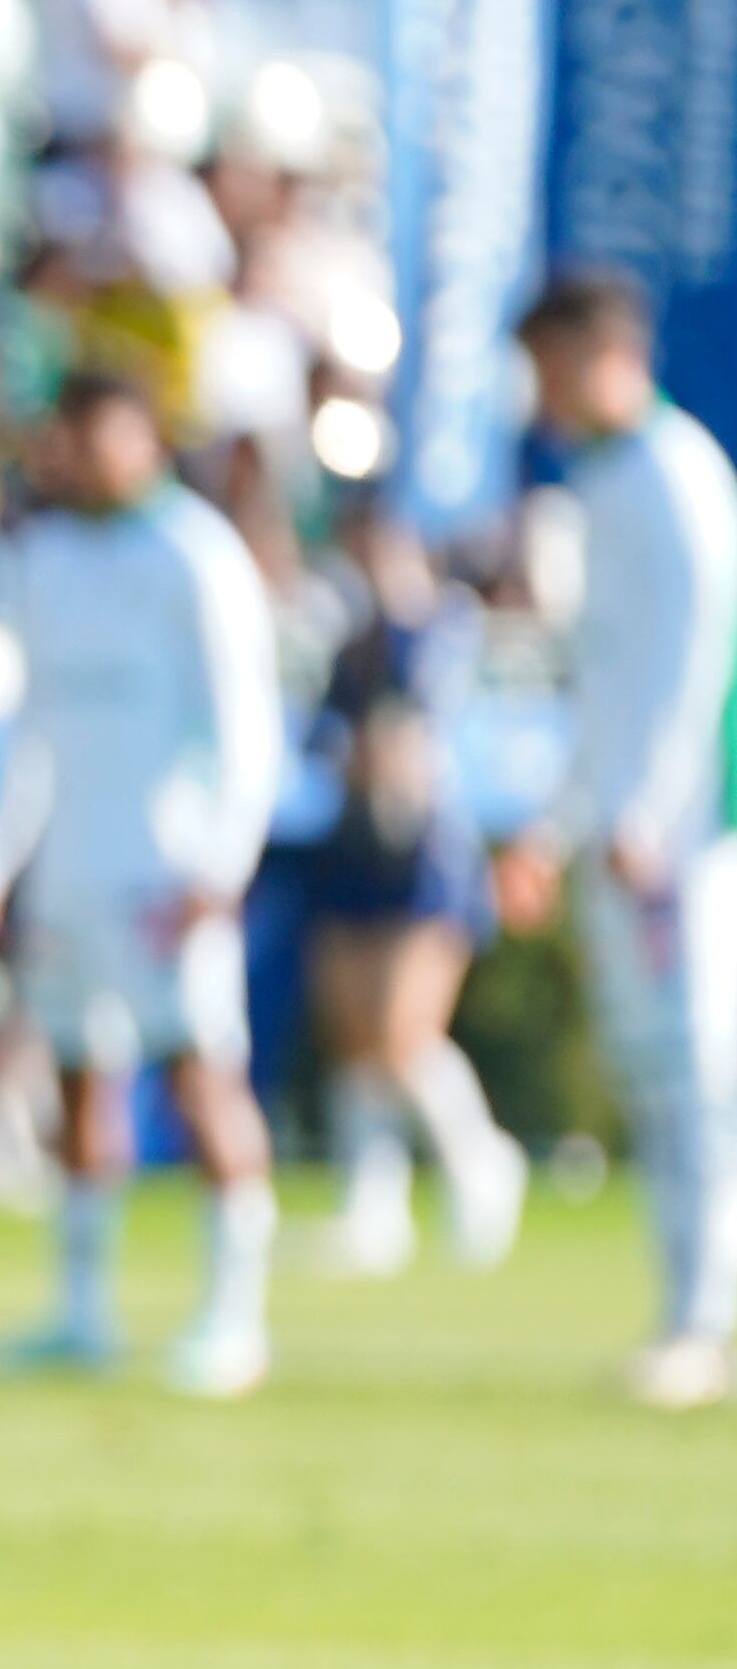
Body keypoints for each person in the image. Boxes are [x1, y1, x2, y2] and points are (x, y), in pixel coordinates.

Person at [0, 369, 284, 1400]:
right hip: (71, 867)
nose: (82, 454)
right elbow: (31, 723)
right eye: (68, 435)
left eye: (102, 434)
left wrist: (222, 859)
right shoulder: (40, 553)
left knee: (198, 1076)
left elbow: (244, 722)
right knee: (78, 1076)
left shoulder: (194, 550)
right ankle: (81, 1312)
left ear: (147, 438)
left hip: (164, 870)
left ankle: (233, 1317)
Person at [498, 274, 737, 1409]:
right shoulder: (598, 484)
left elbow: (702, 668)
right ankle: (686, 1306)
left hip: (691, 834)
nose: (538, 393)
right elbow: (602, 685)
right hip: (630, 829)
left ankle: (704, 1317)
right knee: (654, 1072)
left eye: (548, 364)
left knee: (697, 1071)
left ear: (599, 352)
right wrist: (562, 819)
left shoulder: (677, 473)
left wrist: (653, 811)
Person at [296, 500, 524, 1278]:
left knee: (403, 1031)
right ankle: (373, 1208)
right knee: (354, 1033)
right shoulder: (351, 641)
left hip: (428, 854)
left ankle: (481, 1165)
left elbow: (424, 739)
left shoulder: (443, 631)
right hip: (357, 848)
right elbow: (327, 740)